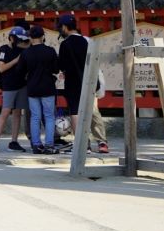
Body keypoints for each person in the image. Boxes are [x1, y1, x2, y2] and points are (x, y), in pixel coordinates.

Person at [56, 12, 108, 154]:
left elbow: (61, 65)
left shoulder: (65, 44)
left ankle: (83, 144)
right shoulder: (87, 41)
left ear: (65, 27)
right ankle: (102, 141)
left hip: (73, 83)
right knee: (92, 111)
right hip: (90, 80)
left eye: (61, 27)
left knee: (75, 112)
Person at [21, 23, 62, 154]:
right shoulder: (50, 51)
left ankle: (36, 144)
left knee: (35, 117)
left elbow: (20, 71)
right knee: (49, 116)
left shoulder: (26, 53)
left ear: (31, 38)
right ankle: (49, 145)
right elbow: (56, 69)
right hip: (47, 87)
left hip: (32, 87)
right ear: (43, 36)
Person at [0, 26, 29, 153]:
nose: (20, 42)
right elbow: (1, 68)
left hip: (22, 85)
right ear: (11, 38)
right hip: (8, 85)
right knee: (5, 112)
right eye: (18, 39)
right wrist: (16, 60)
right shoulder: (4, 50)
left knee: (17, 113)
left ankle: (14, 141)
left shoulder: (23, 49)